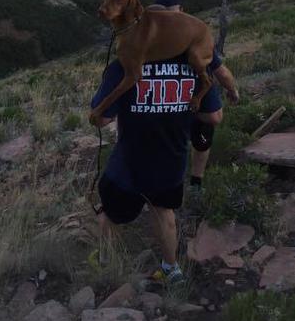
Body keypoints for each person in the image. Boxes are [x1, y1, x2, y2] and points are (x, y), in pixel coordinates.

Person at [90, 49, 222, 284]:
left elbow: (100, 119)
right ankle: (171, 270)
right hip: (171, 156)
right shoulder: (196, 63)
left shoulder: (124, 64)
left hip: (129, 162)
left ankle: (105, 263)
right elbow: (214, 117)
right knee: (163, 210)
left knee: (110, 213)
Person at [151, 0, 239, 191]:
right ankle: (190, 182)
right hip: (179, 100)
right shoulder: (193, 36)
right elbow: (222, 73)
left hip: (167, 102)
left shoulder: (149, 40)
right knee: (208, 123)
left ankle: (192, 182)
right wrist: (232, 91)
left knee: (203, 129)